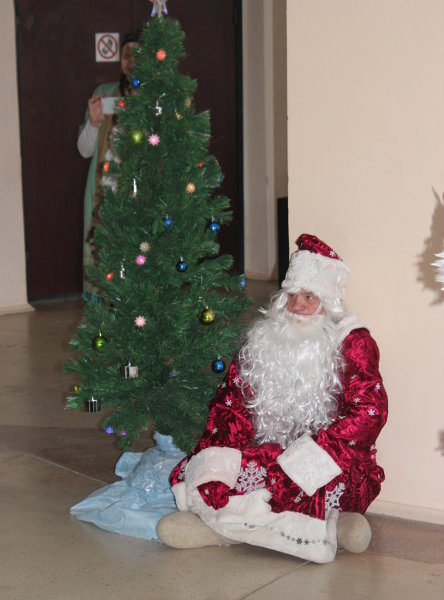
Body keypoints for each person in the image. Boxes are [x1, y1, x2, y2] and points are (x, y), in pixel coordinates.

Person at [157, 233, 388, 563]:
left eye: (309, 296)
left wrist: (308, 460)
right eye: (291, 295)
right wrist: (219, 456)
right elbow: (230, 405)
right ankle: (328, 528)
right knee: (223, 472)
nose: (296, 306)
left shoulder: (353, 343)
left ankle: (223, 529)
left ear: (329, 302)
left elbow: (369, 413)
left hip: (332, 455)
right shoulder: (266, 339)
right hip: (270, 450)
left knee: (304, 482)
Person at [77, 31, 140, 297]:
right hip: (105, 193)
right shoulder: (104, 95)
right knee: (104, 258)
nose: (131, 61)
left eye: (138, 54)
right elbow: (84, 150)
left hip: (141, 196)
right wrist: (93, 122)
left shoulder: (158, 99)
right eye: (126, 55)